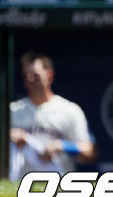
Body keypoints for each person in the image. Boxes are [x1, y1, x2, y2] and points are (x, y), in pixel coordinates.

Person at [10, 52, 97, 181]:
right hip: (21, 187)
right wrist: (7, 138)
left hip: (59, 185)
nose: (29, 79)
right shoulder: (12, 110)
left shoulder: (69, 110)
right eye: (25, 75)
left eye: (35, 75)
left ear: (49, 75)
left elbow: (90, 152)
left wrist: (62, 146)